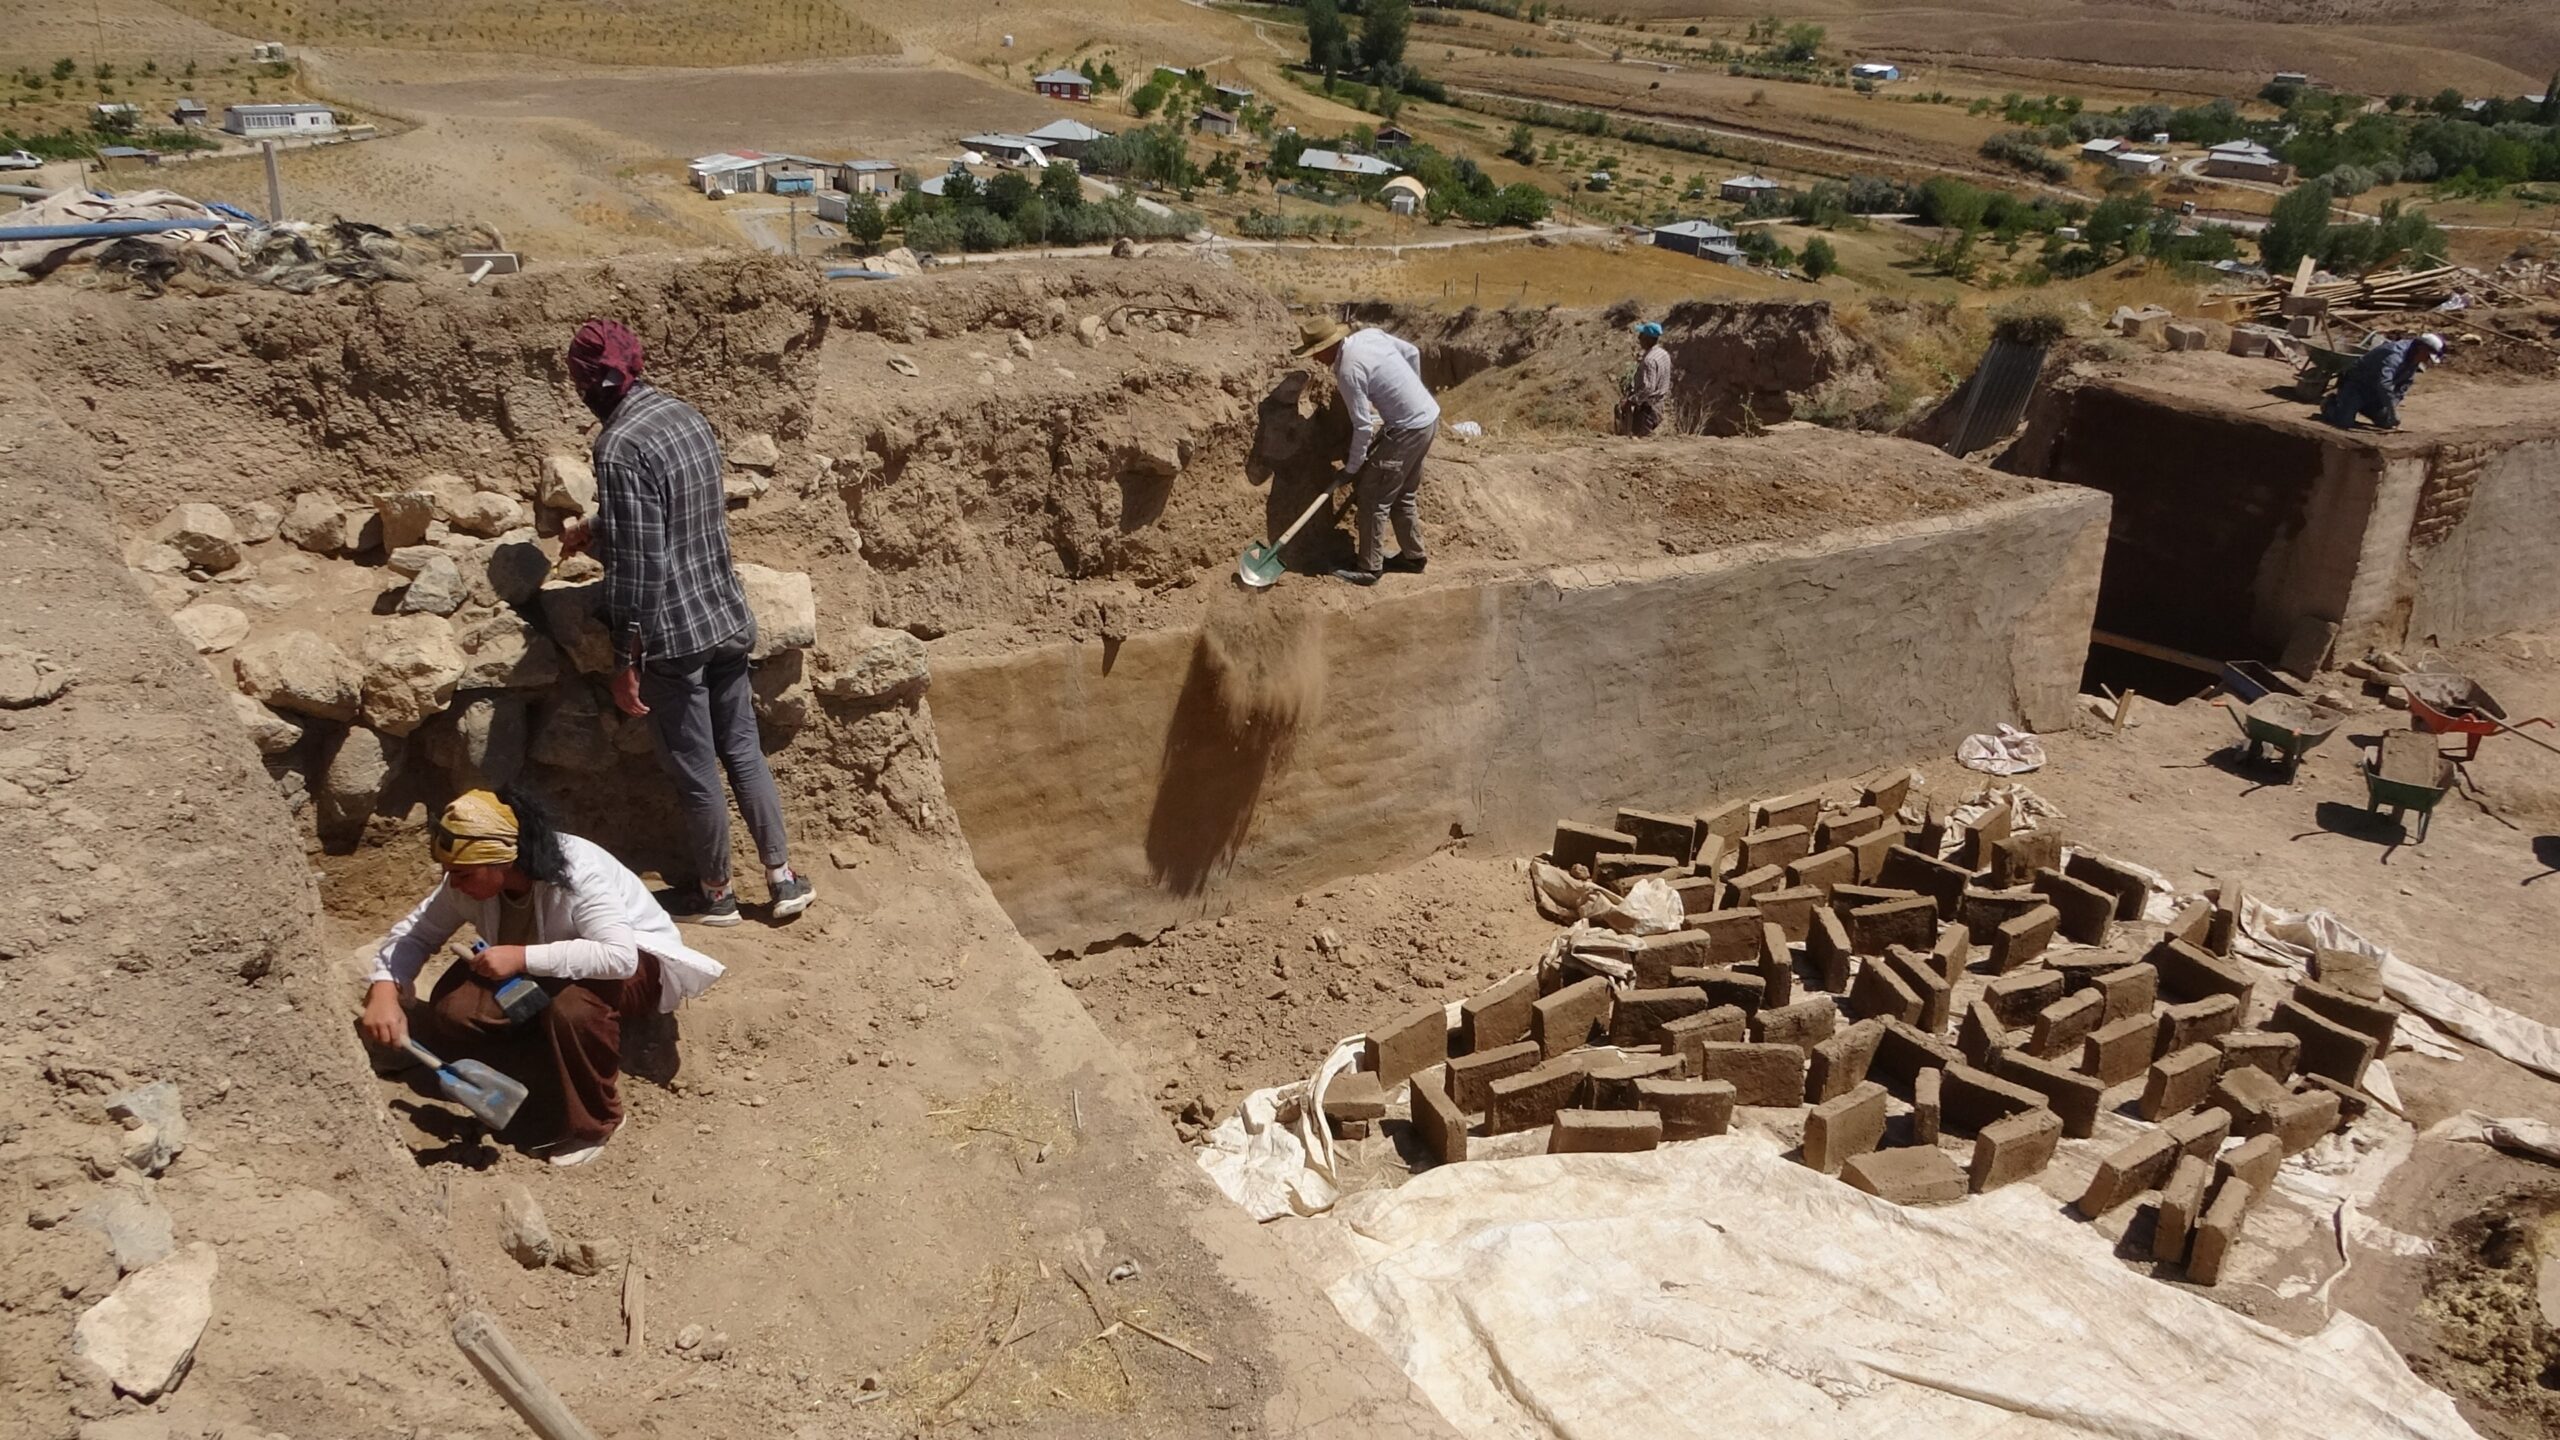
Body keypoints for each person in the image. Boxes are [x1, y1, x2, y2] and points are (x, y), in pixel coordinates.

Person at [558, 319, 812, 926]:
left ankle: (716, 893)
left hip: (674, 635)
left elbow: (643, 564)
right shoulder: (684, 416)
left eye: (581, 381)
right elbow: (680, 515)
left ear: (594, 382)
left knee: (696, 771)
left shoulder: (617, 447)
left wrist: (626, 658)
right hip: (725, 613)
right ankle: (782, 879)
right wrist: (599, 528)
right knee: (744, 750)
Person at [358, 789, 725, 1167]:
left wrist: (521, 956)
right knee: (455, 1009)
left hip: (637, 968)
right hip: (542, 968)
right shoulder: (469, 878)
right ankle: (530, 1080)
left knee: (571, 1009)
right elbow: (418, 932)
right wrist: (385, 987)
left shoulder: (578, 872)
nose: (453, 884)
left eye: (463, 874)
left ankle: (596, 1122)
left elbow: (619, 956)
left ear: (502, 861)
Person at [1299, 318, 1441, 586]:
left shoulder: (1348, 371)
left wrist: (1353, 468)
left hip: (1406, 430)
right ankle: (1413, 556)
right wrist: (1412, 395)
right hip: (1427, 418)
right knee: (1402, 493)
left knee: (1373, 496)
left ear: (1329, 346)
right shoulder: (1370, 336)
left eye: (1316, 352)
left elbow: (1363, 426)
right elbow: (1412, 352)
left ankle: (1369, 568)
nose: (1316, 359)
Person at [2321, 332, 2445, 431]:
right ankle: (2330, 404)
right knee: (2344, 422)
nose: (2426, 360)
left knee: (2386, 423)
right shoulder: (2395, 354)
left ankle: (2360, 407)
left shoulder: (2414, 358)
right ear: (2421, 348)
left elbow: (2403, 386)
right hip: (2356, 386)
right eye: (2427, 356)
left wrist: (2393, 409)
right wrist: (2391, 410)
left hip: (2375, 393)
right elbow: (2384, 384)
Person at [1617, 322, 1672, 437]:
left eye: (1641, 335)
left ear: (1648, 339)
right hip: (1659, 405)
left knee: (1639, 439)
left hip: (1647, 409)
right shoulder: (1663, 354)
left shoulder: (1649, 361)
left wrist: (1630, 401)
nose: (1639, 338)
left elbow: (1648, 388)